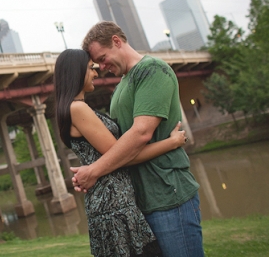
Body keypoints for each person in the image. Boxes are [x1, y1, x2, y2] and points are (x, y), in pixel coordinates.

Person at [71, 21, 205, 257]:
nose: (101, 67)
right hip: (141, 202)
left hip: (168, 196)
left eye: (102, 58)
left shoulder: (152, 70)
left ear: (116, 41)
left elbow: (141, 133)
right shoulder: (123, 84)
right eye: (97, 63)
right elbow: (119, 146)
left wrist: (94, 171)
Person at [54, 48, 187, 257]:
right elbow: (123, 156)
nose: (97, 73)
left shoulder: (77, 107)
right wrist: (171, 143)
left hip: (116, 202)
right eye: (91, 68)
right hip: (113, 205)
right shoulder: (77, 108)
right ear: (76, 72)